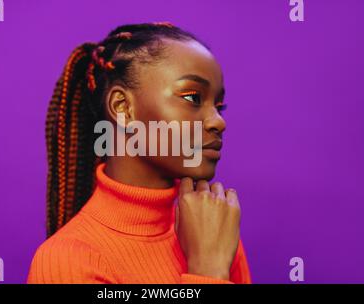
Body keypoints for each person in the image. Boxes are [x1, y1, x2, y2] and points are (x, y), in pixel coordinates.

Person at [27, 22, 251, 284]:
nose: (218, 122)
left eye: (219, 106)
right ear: (123, 108)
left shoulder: (211, 228)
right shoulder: (68, 262)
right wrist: (208, 271)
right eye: (193, 98)